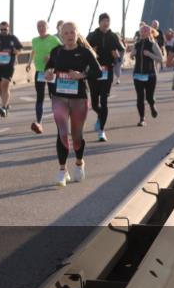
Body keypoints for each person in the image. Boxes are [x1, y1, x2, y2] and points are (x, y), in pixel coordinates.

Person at [43, 21, 101, 186]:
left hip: (79, 98)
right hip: (59, 97)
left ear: (77, 34)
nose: (69, 36)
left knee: (76, 136)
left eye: (71, 32)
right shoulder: (57, 51)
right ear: (61, 35)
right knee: (62, 132)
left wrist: (81, 75)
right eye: (65, 33)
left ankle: (79, 162)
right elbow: (49, 68)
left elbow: (97, 71)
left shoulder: (84, 52)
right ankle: (62, 170)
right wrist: (48, 73)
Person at [85, 13, 124, 142]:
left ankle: (102, 130)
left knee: (104, 101)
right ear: (99, 22)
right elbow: (84, 49)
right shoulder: (91, 36)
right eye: (104, 21)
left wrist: (117, 56)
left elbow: (122, 50)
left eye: (108, 21)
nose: (106, 23)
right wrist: (91, 51)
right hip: (94, 73)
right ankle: (100, 115)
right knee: (95, 104)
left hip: (107, 72)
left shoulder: (113, 36)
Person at [29, 20, 61, 134]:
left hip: (51, 71)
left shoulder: (53, 39)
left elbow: (61, 51)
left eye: (43, 26)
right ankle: (39, 123)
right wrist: (29, 63)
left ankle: (60, 121)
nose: (41, 28)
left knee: (54, 97)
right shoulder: (34, 40)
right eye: (39, 26)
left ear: (47, 27)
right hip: (40, 72)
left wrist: (51, 57)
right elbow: (33, 52)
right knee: (39, 97)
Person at [129, 24, 162, 126]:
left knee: (149, 97)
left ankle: (152, 105)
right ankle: (142, 119)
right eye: (142, 31)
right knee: (140, 97)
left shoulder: (153, 44)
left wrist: (150, 54)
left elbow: (160, 58)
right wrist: (132, 54)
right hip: (138, 74)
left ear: (150, 33)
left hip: (150, 74)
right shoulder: (137, 44)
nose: (143, 33)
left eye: (145, 31)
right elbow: (131, 57)